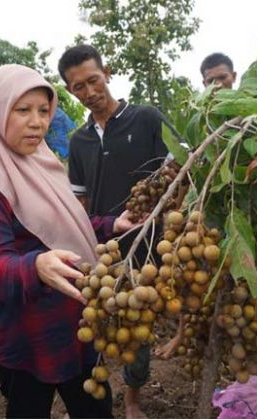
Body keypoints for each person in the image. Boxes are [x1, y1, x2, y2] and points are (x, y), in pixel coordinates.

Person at [0, 64, 138, 419]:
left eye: (43, 111)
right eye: (23, 110)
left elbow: (63, 224)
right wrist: (34, 265)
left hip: (74, 321)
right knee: (28, 409)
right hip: (25, 333)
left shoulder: (40, 162)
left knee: (95, 408)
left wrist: (112, 224)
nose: (38, 122)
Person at [58, 44, 169, 419]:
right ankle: (99, 396)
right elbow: (80, 203)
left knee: (138, 328)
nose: (89, 92)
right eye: (78, 87)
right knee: (102, 324)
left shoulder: (147, 119)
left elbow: (176, 179)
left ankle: (133, 398)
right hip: (102, 251)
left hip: (148, 247)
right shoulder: (79, 141)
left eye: (93, 80)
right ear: (71, 91)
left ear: (106, 73)